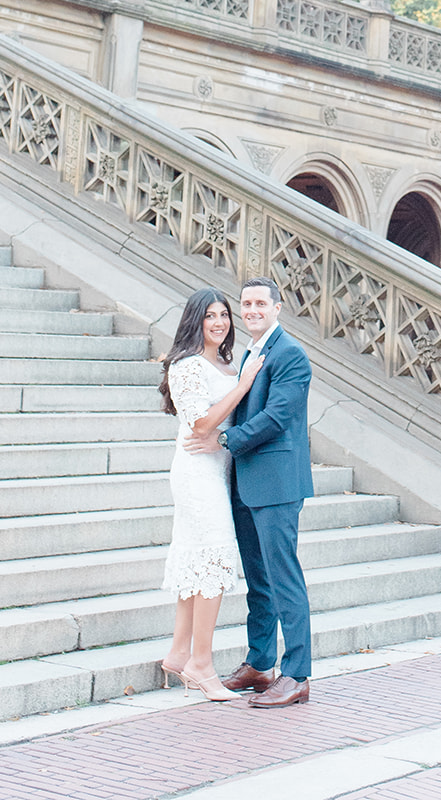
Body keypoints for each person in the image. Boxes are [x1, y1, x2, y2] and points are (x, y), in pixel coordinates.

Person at [185, 276, 314, 707]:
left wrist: (223, 441)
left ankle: (296, 674)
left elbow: (277, 417)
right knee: (259, 582)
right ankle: (260, 663)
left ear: (278, 308)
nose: (253, 310)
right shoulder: (249, 354)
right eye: (247, 304)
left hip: (276, 483)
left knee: (283, 579)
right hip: (244, 483)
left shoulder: (291, 355)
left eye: (261, 303)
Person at [157, 288, 265, 701]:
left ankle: (179, 653)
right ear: (195, 321)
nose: (219, 322)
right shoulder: (186, 367)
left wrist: (223, 436)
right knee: (214, 560)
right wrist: (244, 384)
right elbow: (200, 426)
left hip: (215, 469)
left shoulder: (221, 362)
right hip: (195, 472)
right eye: (210, 316)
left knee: (195, 559)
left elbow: (216, 432)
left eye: (224, 315)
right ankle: (202, 663)